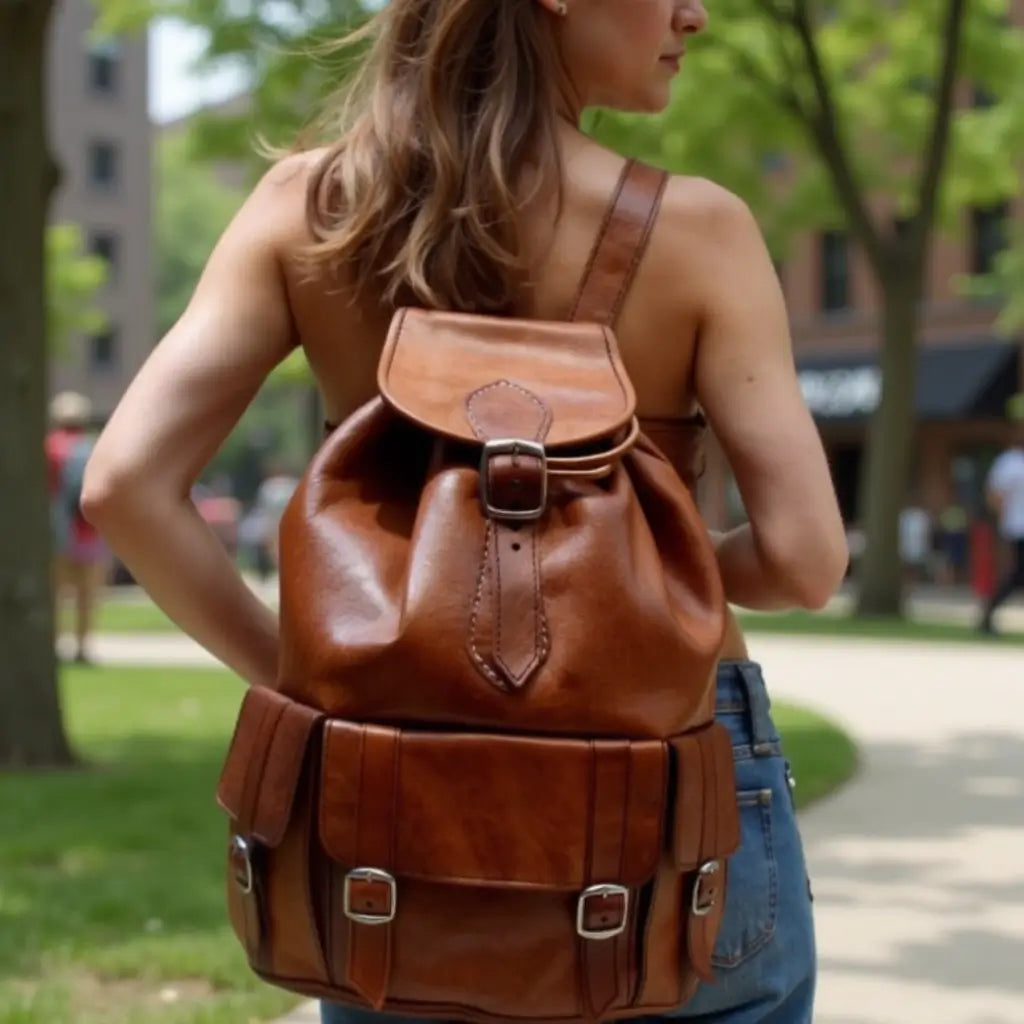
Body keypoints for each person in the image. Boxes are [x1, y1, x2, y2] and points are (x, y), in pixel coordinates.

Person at [81, 1, 848, 1021]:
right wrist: (642, 566)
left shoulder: (310, 207)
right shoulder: (697, 230)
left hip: (388, 800)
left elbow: (124, 486)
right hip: (669, 790)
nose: (694, 15)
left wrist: (304, 685)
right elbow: (804, 560)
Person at [46, 390, 108, 665]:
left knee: (55, 596)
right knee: (88, 595)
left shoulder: (48, 447)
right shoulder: (94, 447)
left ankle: (54, 646)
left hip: (56, 532)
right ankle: (82, 647)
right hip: (91, 533)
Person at [979, 427, 1024, 634]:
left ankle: (988, 614)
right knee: (1017, 575)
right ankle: (988, 613)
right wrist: (1002, 518)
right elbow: (994, 494)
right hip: (1018, 527)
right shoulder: (1010, 462)